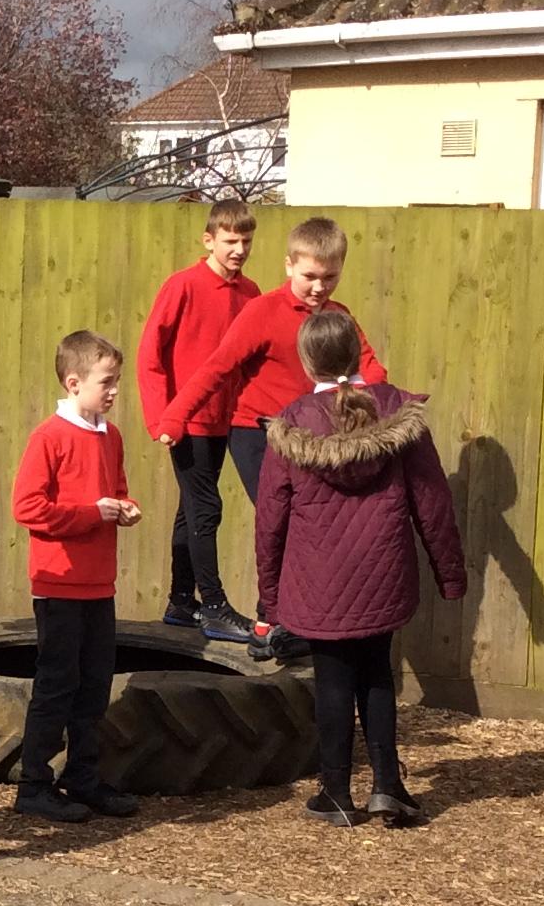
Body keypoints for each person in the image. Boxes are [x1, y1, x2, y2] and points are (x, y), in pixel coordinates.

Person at [253, 309, 466, 828]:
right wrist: (450, 572)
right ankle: (388, 786)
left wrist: (269, 597)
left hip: (319, 580)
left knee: (332, 680)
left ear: (307, 362)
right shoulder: (397, 413)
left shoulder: (291, 424)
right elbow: (433, 501)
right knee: (376, 674)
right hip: (383, 571)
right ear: (358, 353)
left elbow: (270, 519)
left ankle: (336, 793)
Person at [156, 216, 387, 661]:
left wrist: (372, 400)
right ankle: (271, 620)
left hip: (312, 434)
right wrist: (175, 416)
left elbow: (372, 369)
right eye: (310, 276)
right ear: (289, 266)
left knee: (314, 526)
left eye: (330, 277)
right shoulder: (263, 311)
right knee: (284, 521)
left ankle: (296, 620)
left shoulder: (338, 317)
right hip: (258, 432)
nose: (319, 287)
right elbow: (218, 366)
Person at [9, 330, 143, 825]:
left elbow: (116, 490)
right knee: (56, 684)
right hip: (58, 584)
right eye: (106, 381)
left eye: (116, 380)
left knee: (94, 685)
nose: (114, 390)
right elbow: (27, 507)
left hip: (98, 583)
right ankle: (34, 783)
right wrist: (92, 514)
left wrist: (124, 508)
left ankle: (83, 777)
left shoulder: (112, 436)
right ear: (73, 382)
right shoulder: (49, 437)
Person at [136, 203, 260, 642]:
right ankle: (214, 606)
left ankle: (180, 602)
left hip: (228, 419)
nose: (239, 249)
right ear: (209, 240)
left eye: (246, 241)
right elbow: (150, 354)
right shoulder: (183, 286)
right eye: (230, 241)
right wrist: (161, 417)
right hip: (187, 421)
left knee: (191, 509)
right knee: (206, 507)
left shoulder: (250, 292)